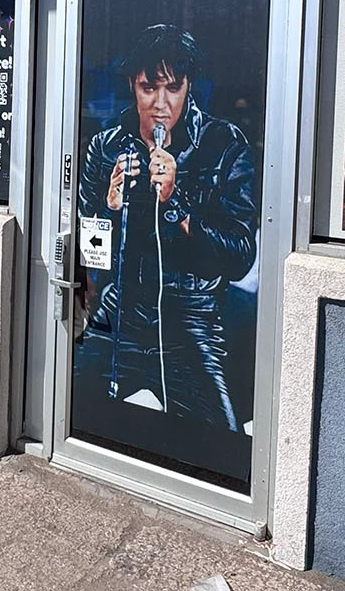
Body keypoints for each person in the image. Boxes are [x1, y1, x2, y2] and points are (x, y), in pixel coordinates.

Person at [75, 25, 257, 430]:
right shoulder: (106, 146)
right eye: (147, 88)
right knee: (66, 402)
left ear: (188, 85)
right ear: (131, 85)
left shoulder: (222, 144)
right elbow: (91, 255)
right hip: (122, 309)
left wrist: (177, 204)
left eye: (172, 88)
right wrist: (108, 210)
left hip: (189, 318)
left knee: (220, 441)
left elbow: (241, 257)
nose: (160, 104)